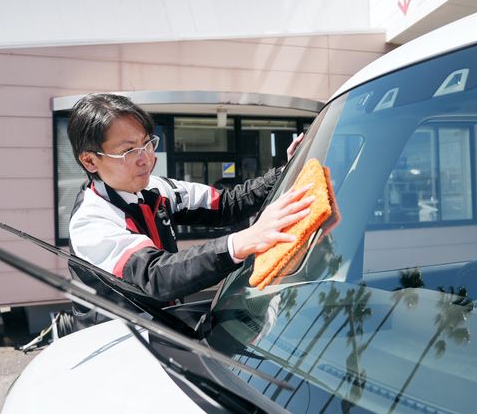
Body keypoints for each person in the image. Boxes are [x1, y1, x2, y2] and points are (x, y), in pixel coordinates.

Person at [67, 93, 312, 313]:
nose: (145, 159)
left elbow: (225, 204)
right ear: (90, 161)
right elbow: (155, 275)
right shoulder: (90, 222)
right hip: (119, 343)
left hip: (167, 326)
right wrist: (244, 241)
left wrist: (283, 172)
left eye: (147, 143)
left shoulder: (156, 188)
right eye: (129, 150)